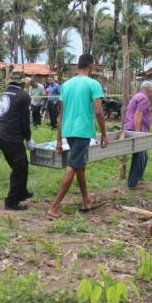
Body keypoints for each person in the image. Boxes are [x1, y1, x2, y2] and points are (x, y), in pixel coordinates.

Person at [46, 54, 108, 219]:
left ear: (78, 66)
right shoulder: (93, 84)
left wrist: (59, 140)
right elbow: (99, 112)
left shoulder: (66, 85)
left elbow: (61, 114)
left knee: (79, 165)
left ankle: (86, 199)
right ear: (91, 66)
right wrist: (103, 133)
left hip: (69, 130)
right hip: (83, 131)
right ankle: (54, 207)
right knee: (73, 166)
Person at [0, 71, 34, 210]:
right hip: (11, 136)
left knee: (20, 166)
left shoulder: (5, 94)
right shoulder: (23, 96)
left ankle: (21, 192)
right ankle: (11, 202)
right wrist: (28, 139)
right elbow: (25, 121)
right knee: (20, 167)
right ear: (23, 83)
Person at [123, 81, 152, 190]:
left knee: (144, 156)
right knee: (139, 157)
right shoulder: (143, 98)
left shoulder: (138, 96)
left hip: (133, 128)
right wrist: (138, 133)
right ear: (149, 90)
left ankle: (138, 179)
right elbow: (138, 115)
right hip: (136, 130)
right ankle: (132, 183)